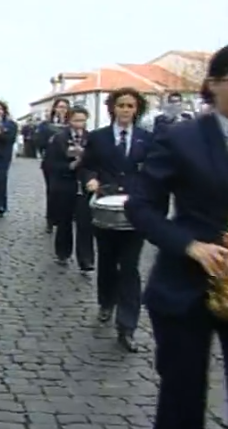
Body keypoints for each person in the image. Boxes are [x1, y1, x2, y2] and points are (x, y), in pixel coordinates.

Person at [124, 45, 228, 428]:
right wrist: (191, 246)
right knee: (181, 405)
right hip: (185, 289)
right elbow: (141, 207)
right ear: (213, 84)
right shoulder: (181, 138)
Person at [78, 87, 152, 353]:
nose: (125, 110)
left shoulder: (147, 139)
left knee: (130, 267)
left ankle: (127, 326)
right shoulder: (98, 138)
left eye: (130, 106)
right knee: (107, 261)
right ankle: (106, 302)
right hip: (105, 208)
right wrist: (90, 179)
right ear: (113, 108)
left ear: (136, 109)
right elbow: (85, 165)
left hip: (135, 210)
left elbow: (155, 171)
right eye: (121, 105)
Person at [45, 106, 94, 272]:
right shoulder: (58, 138)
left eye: (82, 120)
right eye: (76, 120)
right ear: (69, 120)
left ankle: (86, 259)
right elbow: (49, 164)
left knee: (85, 223)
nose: (79, 124)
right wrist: (69, 166)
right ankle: (63, 252)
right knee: (65, 220)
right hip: (65, 183)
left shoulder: (91, 138)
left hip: (85, 184)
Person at [37, 98, 70, 233]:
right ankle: (50, 219)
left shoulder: (72, 124)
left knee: (67, 191)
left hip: (68, 162)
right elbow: (39, 142)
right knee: (52, 191)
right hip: (51, 162)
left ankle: (65, 217)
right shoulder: (46, 125)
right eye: (60, 107)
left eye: (65, 107)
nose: (62, 110)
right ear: (55, 109)